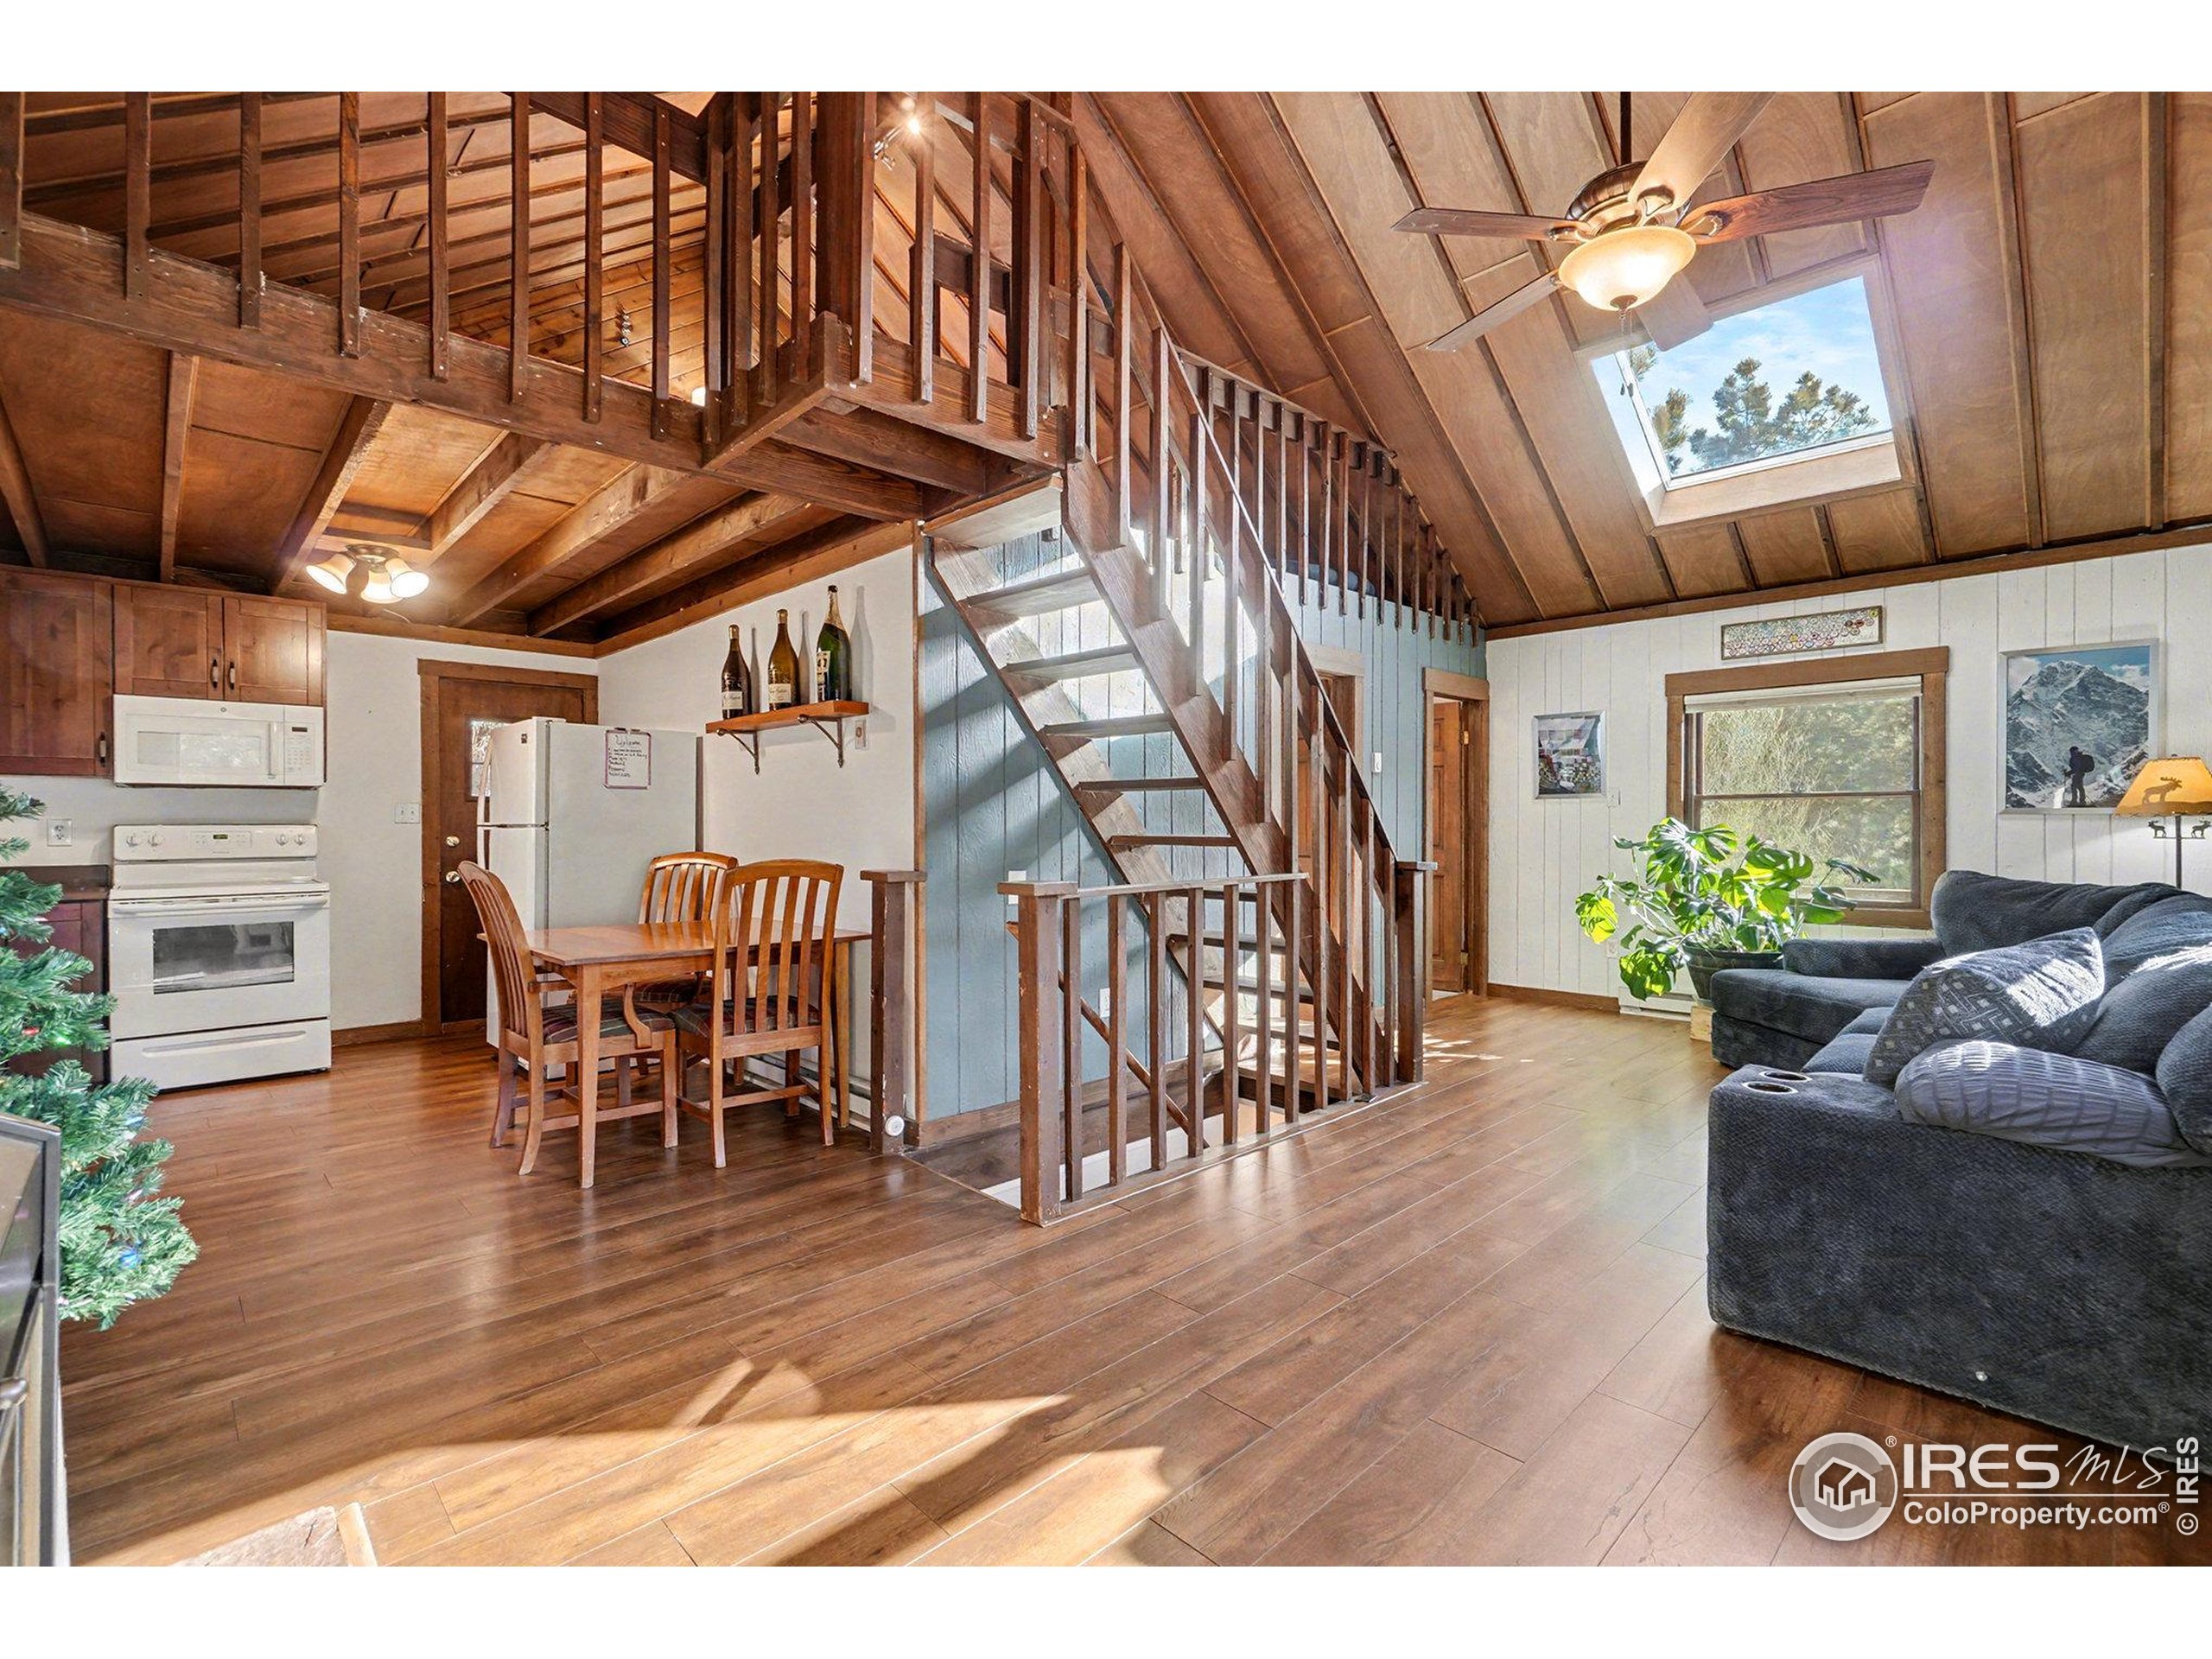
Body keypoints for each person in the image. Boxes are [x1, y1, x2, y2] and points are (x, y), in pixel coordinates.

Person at [2065, 745, 2097, 809]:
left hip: (2078, 774)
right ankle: (2082, 802)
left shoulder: (2075, 758)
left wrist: (2069, 773)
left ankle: (2075, 802)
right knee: (2080, 787)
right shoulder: (2079, 757)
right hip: (2080, 773)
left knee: (2074, 787)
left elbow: (2076, 768)